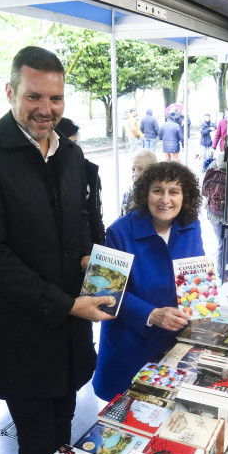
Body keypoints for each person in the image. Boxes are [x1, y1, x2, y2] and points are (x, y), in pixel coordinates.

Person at [0, 46, 114, 454]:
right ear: (10, 92)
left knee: (64, 433)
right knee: (39, 446)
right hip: (22, 335)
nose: (46, 109)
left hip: (70, 335)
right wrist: (66, 306)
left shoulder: (71, 155)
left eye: (55, 99)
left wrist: (87, 255)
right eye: (33, 97)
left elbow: (81, 220)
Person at [92, 162, 204, 402]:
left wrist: (203, 308)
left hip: (176, 341)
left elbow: (197, 280)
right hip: (130, 344)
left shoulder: (191, 226)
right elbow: (102, 291)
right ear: (145, 194)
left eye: (174, 191)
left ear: (185, 196)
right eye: (157, 190)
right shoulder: (119, 231)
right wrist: (151, 314)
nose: (165, 200)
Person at [57, 117, 106, 245]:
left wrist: (101, 239)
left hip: (91, 246)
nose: (74, 149)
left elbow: (95, 213)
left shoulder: (90, 171)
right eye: (70, 143)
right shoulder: (49, 175)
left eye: (76, 143)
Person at [120, 149, 158, 217]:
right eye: (133, 169)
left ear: (153, 170)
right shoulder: (128, 193)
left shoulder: (159, 194)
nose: (136, 174)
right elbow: (122, 218)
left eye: (141, 169)